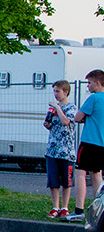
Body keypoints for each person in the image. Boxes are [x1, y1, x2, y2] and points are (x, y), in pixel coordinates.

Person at [72, 69, 104, 219]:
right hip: (102, 144)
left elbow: (78, 117)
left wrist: (86, 118)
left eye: (90, 83)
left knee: (80, 173)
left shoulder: (94, 98)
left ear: (98, 83)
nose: (88, 86)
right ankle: (98, 209)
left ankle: (79, 210)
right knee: (97, 174)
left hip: (89, 142)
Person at [43, 80, 77, 218]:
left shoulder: (71, 108)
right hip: (52, 149)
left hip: (66, 151)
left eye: (58, 91)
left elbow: (65, 122)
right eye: (54, 91)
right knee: (53, 180)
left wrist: (57, 108)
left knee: (66, 181)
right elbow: (50, 124)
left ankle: (65, 207)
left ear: (66, 92)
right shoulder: (53, 109)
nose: (56, 94)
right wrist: (47, 123)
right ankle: (55, 206)